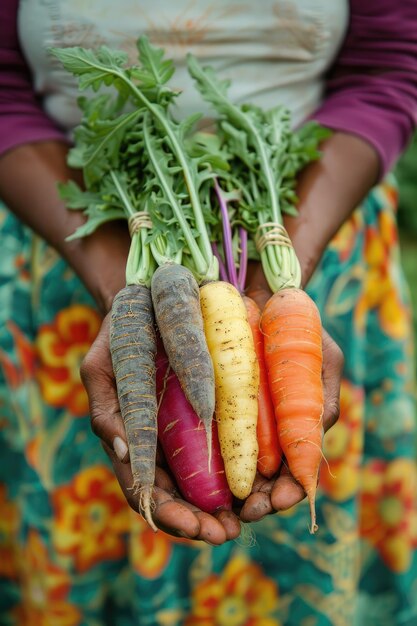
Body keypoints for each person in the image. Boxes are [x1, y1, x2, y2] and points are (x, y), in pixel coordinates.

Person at [0, 0, 416, 624]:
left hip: (310, 243)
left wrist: (279, 292)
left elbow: (387, 69)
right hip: (78, 248)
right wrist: (125, 293)